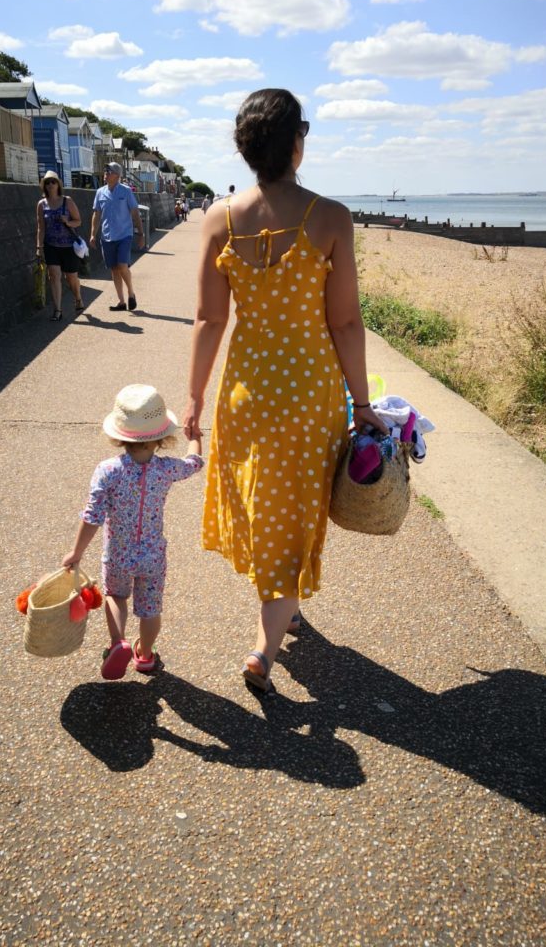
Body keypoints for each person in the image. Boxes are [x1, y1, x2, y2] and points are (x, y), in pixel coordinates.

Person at [183, 88, 389, 693]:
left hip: (245, 392)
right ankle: (263, 649)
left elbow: (209, 319)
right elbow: (345, 322)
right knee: (293, 506)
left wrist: (194, 397)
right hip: (307, 393)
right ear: (296, 143)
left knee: (262, 502)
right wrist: (362, 404)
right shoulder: (329, 218)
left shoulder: (219, 220)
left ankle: (286, 608)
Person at [62, 384, 203, 679]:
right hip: (152, 554)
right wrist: (195, 439)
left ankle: (119, 644)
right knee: (150, 609)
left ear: (119, 435)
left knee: (116, 596)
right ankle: (146, 655)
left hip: (118, 554)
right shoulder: (165, 469)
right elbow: (194, 464)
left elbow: (92, 517)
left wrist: (76, 552)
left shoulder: (107, 471)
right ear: (162, 437)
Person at [90, 163, 146, 312]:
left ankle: (131, 293)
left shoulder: (126, 191)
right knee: (114, 269)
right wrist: (92, 234)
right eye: (105, 170)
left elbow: (135, 213)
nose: (105, 173)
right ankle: (121, 302)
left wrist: (141, 234)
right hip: (107, 236)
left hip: (124, 235)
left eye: (108, 171)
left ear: (117, 175)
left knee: (122, 265)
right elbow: (96, 214)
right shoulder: (100, 192)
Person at [36, 170, 84, 321]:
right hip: (51, 246)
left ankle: (78, 298)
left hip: (68, 246)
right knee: (54, 275)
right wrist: (39, 247)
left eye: (53, 182)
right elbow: (41, 227)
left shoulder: (67, 201)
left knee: (71, 278)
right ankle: (58, 310)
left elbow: (78, 220)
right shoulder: (41, 204)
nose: (50, 184)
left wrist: (67, 222)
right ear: (44, 185)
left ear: (58, 184)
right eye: (47, 182)